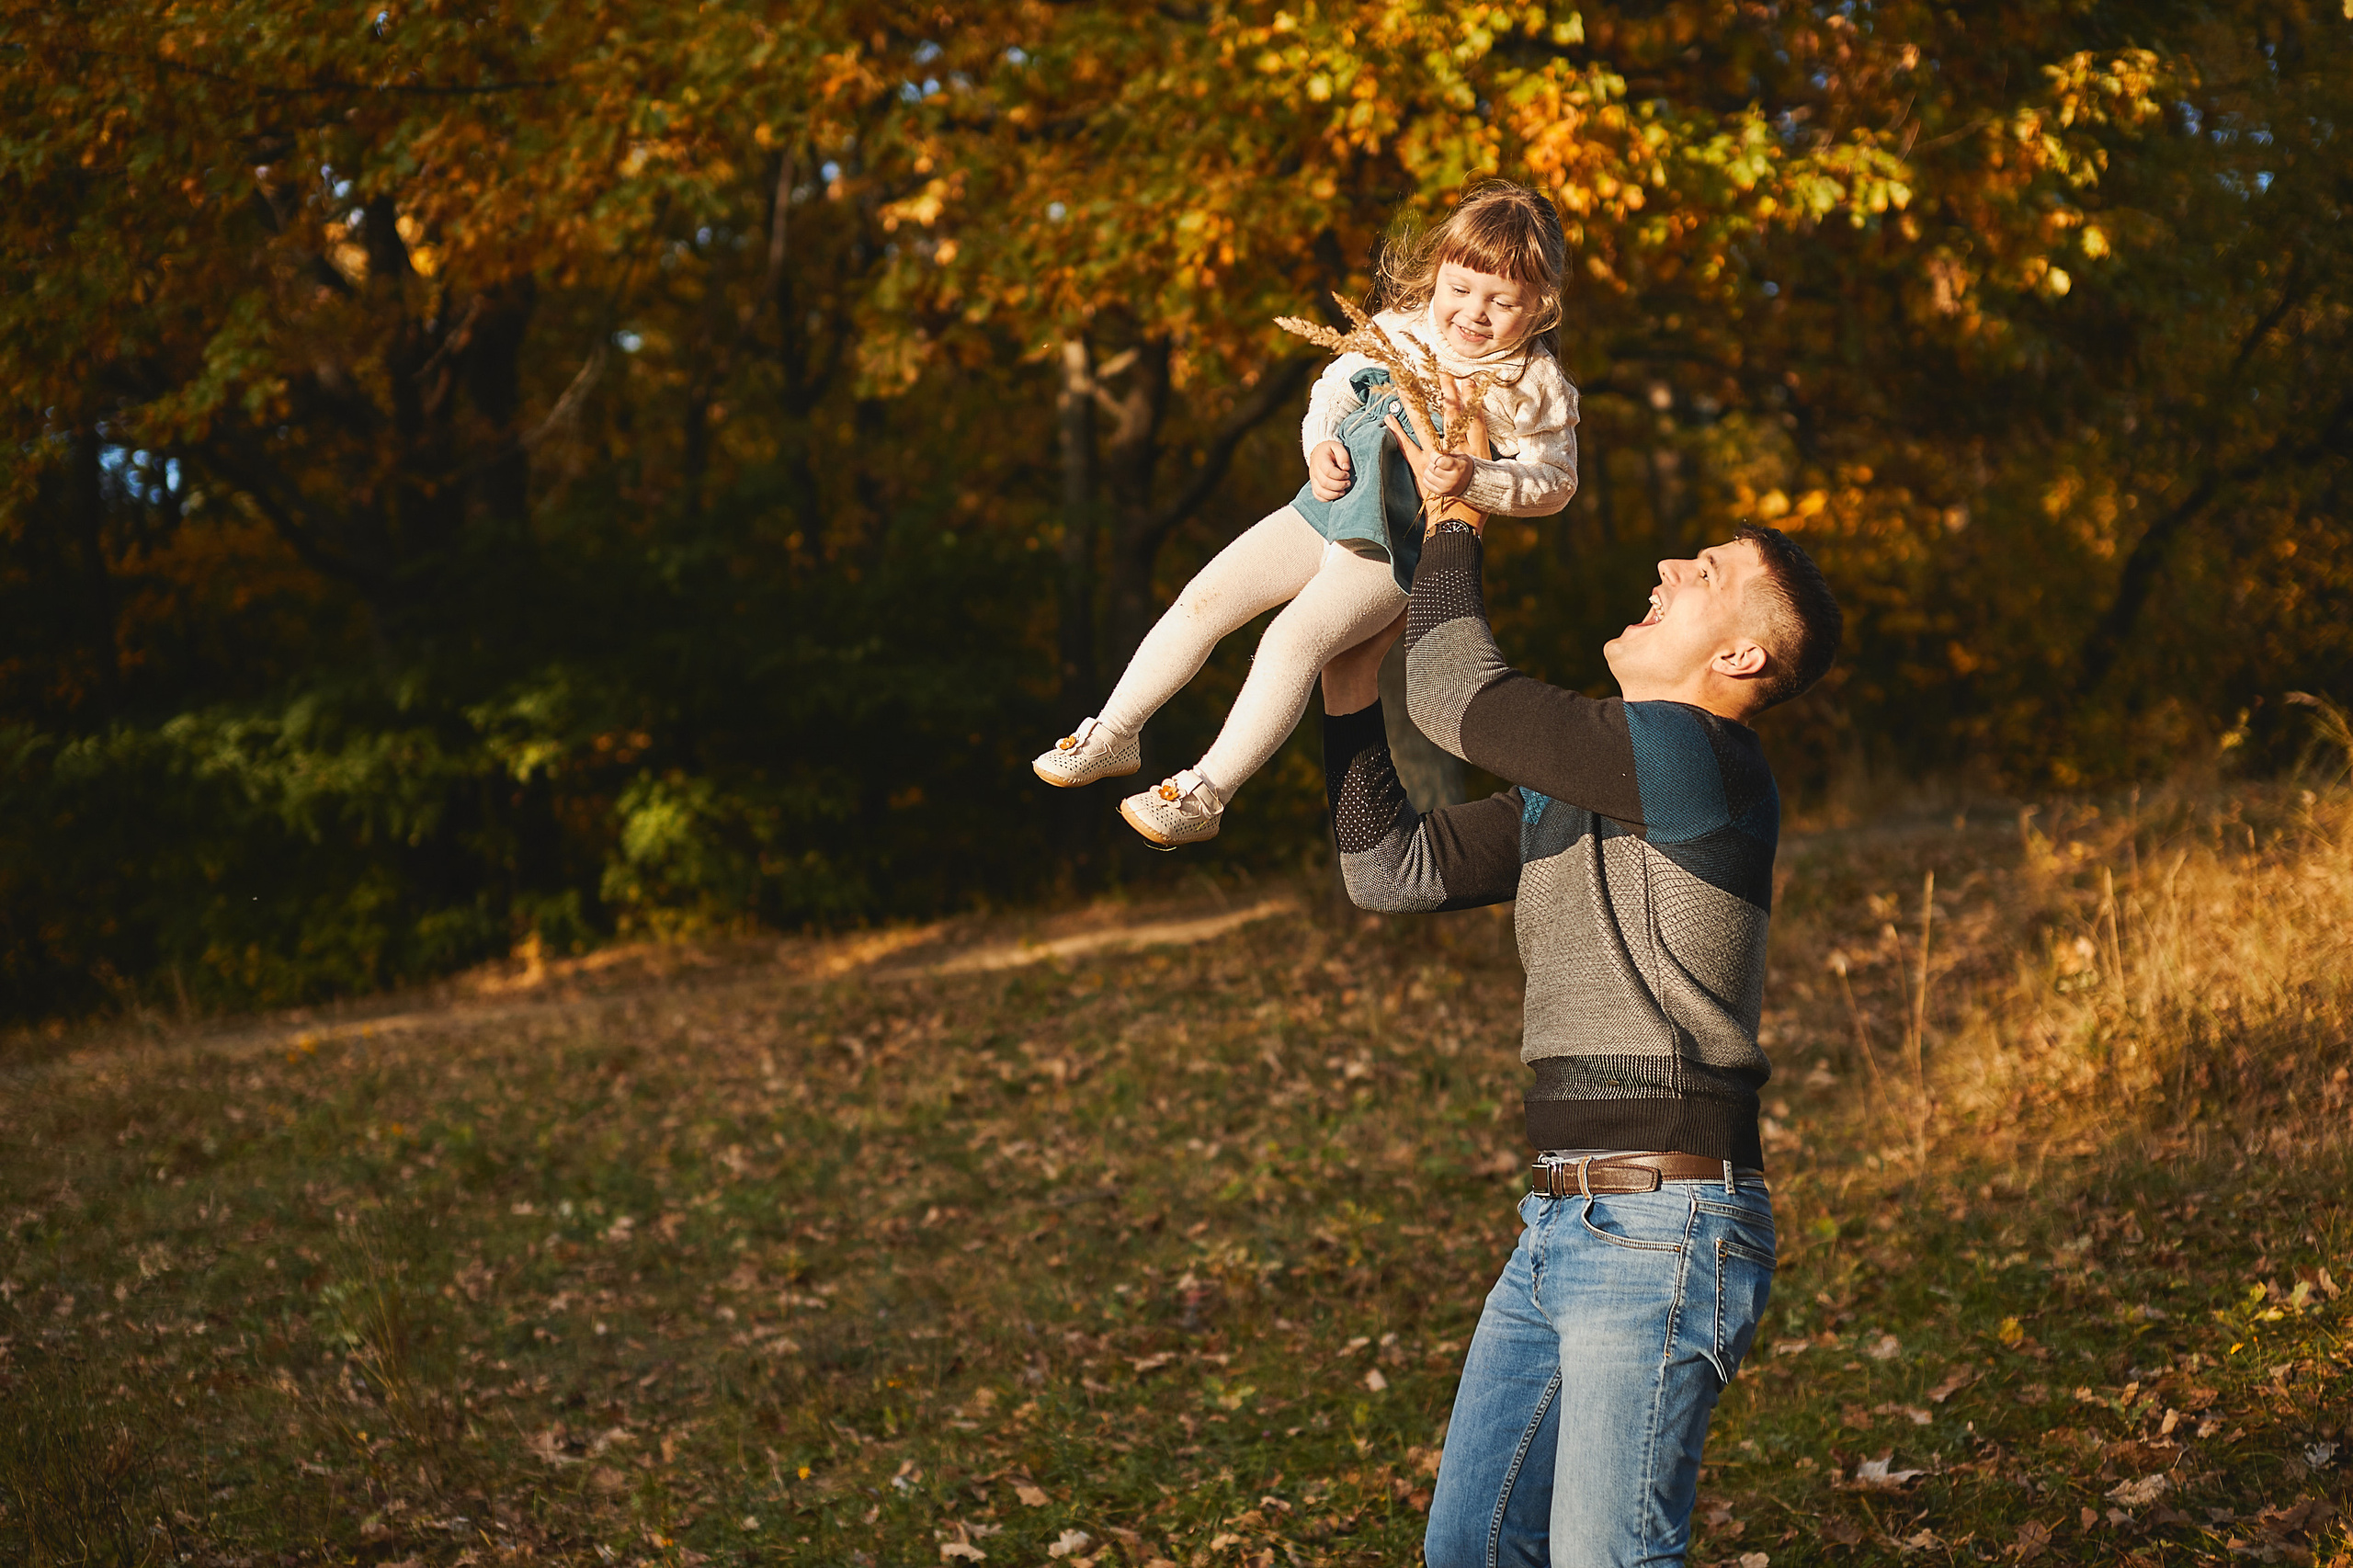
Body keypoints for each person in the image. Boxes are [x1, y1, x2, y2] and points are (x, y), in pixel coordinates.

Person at [1317, 435, 1842, 1567]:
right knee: (1470, 1549)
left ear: (1744, 653)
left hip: (1662, 1226)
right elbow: (1387, 870)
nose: (1667, 565)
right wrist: (1345, 687)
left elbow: (1460, 697)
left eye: (1702, 568)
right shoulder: (1585, 791)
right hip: (1560, 1221)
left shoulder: (1703, 760)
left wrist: (1452, 515)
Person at [1031, 181, 1581, 848]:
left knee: (1292, 643)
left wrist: (1477, 475)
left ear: (1541, 305)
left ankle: (1205, 793)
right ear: (1437, 270)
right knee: (1202, 600)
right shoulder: (1399, 328)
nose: (1473, 313)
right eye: (1461, 288)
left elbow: (1554, 482)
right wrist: (1319, 443)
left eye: (1502, 302)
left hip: (1390, 551)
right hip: (1317, 511)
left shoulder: (1532, 381)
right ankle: (1113, 733)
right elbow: (1333, 391)